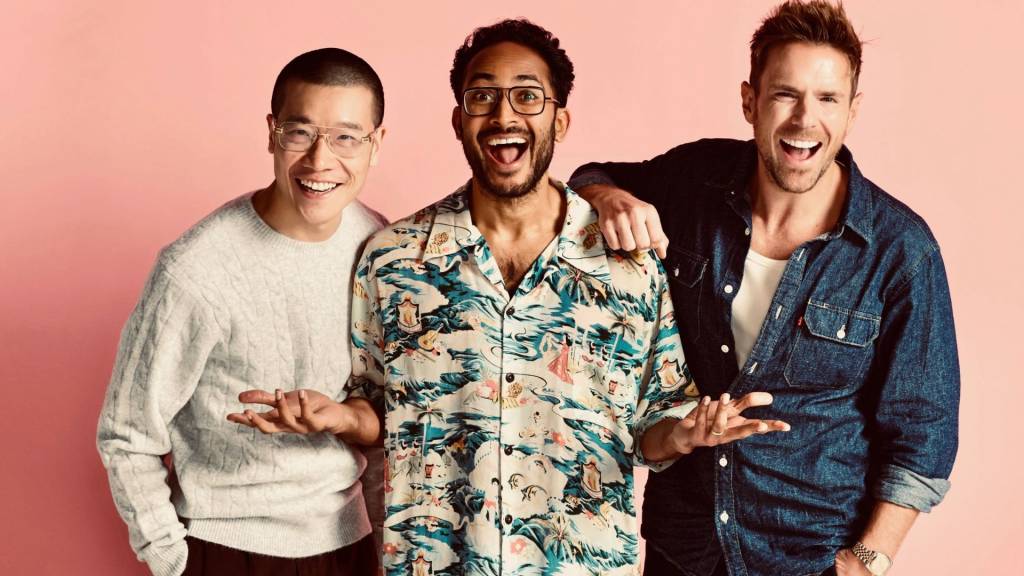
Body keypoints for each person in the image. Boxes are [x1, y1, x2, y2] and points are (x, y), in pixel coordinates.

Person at [347, 19, 785, 575]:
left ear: (560, 120)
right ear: (458, 121)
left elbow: (655, 423)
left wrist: (685, 433)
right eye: (482, 96)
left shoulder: (629, 268)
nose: (504, 115)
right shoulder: (392, 261)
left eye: (528, 96)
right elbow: (370, 409)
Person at [568, 2, 960, 575]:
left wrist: (868, 560)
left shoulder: (900, 250)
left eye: (827, 99)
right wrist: (608, 198)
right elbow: (588, 178)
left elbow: (924, 430)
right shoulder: (693, 181)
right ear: (749, 101)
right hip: (686, 550)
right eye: (785, 95)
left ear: (853, 110)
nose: (805, 120)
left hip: (811, 556)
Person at [97, 47, 387, 576]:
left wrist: (386, 546)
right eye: (300, 132)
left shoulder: (377, 243)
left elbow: (383, 410)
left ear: (376, 143)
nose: (320, 160)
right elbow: (127, 433)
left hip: (350, 547)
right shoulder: (194, 268)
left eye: (346, 137)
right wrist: (172, 560)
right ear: (272, 133)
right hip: (226, 548)